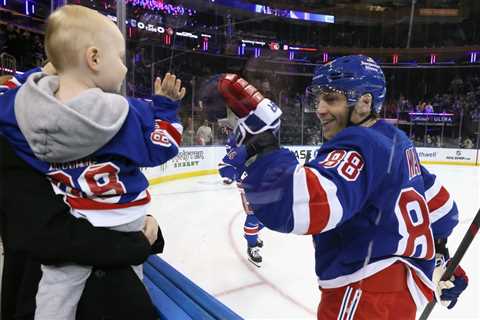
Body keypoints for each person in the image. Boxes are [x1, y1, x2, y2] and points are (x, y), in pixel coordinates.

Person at [217, 56, 468, 319]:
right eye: (319, 99)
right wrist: (441, 256)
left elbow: (301, 206)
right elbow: (442, 210)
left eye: (332, 99)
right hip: (397, 300)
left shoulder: (359, 143)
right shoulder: (398, 141)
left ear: (365, 102)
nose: (320, 109)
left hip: (362, 296)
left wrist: (263, 145)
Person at [0, 5, 185, 320]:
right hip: (124, 223)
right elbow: (162, 146)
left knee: (55, 296)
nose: (126, 69)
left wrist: (43, 76)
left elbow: (8, 94)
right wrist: (166, 108)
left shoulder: (21, 118)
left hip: (77, 215)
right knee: (133, 285)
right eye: (122, 59)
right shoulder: (129, 114)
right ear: (94, 58)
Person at [218, 134, 264, 267]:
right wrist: (232, 175)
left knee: (271, 215)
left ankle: (252, 234)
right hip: (248, 188)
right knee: (253, 216)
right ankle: (252, 246)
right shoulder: (240, 150)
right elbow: (223, 164)